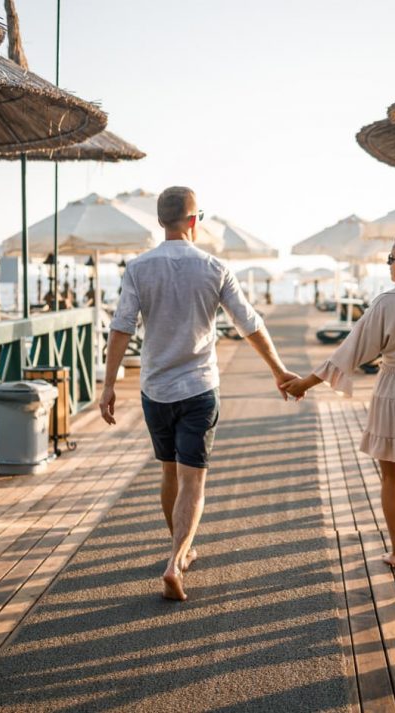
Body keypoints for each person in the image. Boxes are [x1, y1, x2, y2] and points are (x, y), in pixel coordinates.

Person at [101, 186, 297, 602]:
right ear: (194, 221)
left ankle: (180, 551)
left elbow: (121, 327)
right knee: (194, 481)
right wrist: (279, 371)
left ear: (160, 221)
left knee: (169, 472)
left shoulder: (138, 268)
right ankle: (176, 561)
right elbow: (249, 324)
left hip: (155, 390)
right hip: (198, 388)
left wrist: (108, 385)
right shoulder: (214, 267)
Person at [283, 233, 395, 602]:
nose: (388, 264)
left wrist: (305, 382)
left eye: (392, 258)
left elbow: (348, 352)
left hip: (393, 392)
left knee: (393, 478)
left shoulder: (386, 303)